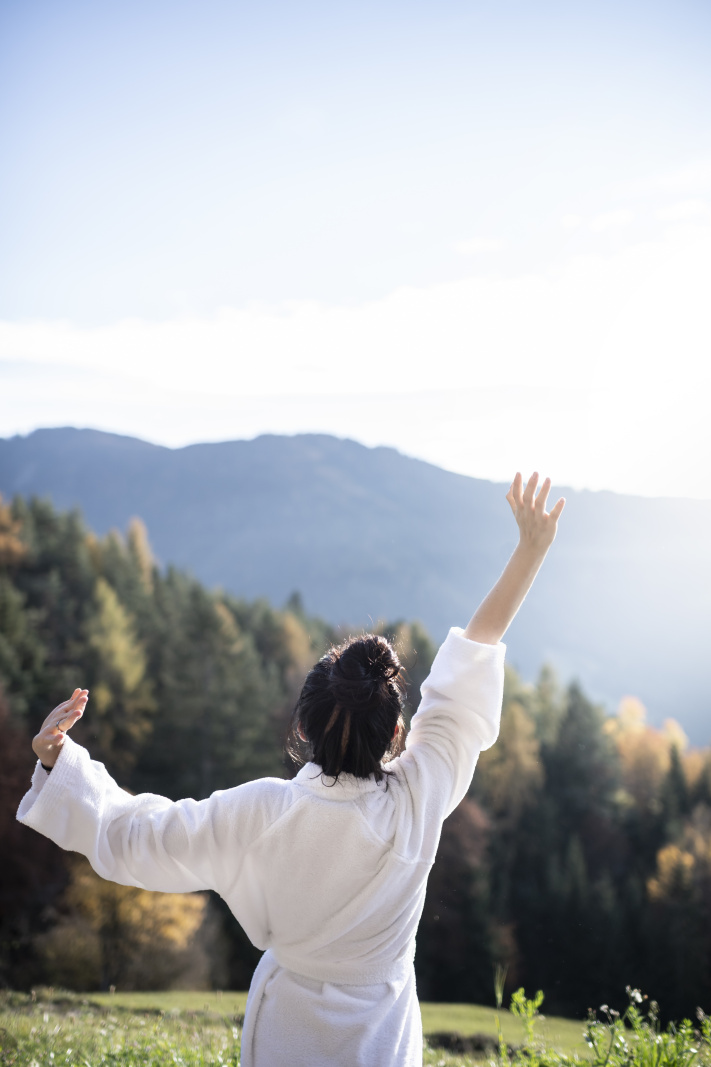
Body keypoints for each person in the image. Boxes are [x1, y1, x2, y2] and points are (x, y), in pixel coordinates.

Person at [18, 471, 564, 1067]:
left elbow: (137, 836)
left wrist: (60, 760)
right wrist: (530, 551)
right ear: (398, 735)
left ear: (302, 728)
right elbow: (464, 675)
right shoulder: (419, 798)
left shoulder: (259, 813)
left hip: (286, 1038)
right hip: (381, 1042)